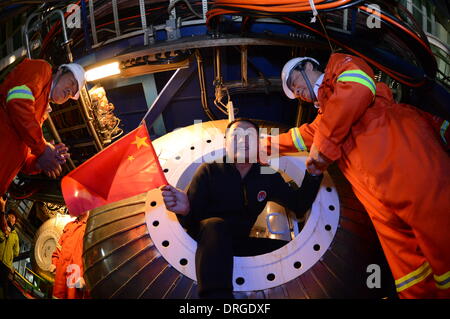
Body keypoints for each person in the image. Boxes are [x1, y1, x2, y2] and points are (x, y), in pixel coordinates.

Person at [264, 53, 450, 298]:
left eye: (294, 80)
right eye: (292, 91)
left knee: (442, 240)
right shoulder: (328, 119)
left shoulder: (340, 67)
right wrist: (262, 144)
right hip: (376, 198)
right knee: (407, 269)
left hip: (407, 166)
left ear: (309, 65)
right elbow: (302, 136)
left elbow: (357, 88)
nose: (295, 90)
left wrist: (323, 146)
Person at [161, 118, 323, 299]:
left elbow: (299, 205)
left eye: (250, 136)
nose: (243, 140)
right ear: (226, 142)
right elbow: (192, 224)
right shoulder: (209, 171)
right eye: (236, 135)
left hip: (239, 242)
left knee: (289, 251)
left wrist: (314, 174)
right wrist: (186, 210)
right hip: (208, 242)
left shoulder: (267, 175)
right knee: (215, 225)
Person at [0, 58, 85, 196]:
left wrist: (39, 162)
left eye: (72, 94)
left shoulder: (40, 115)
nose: (69, 91)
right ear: (60, 71)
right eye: (71, 82)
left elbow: (23, 162)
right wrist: (42, 148)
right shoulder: (42, 69)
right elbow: (17, 100)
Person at [50, 212, 89, 299]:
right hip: (61, 270)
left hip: (76, 273)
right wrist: (54, 262)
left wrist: (84, 276)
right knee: (57, 296)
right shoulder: (69, 225)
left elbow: (92, 255)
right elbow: (59, 246)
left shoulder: (90, 227)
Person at [0, 211, 20, 299]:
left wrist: (10, 255)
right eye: (10, 216)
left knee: (4, 285)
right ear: (7, 218)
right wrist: (6, 232)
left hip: (6, 264)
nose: (11, 218)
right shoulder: (2, 228)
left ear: (15, 221)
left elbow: (16, 252)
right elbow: (0, 237)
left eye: (13, 217)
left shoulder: (15, 236)